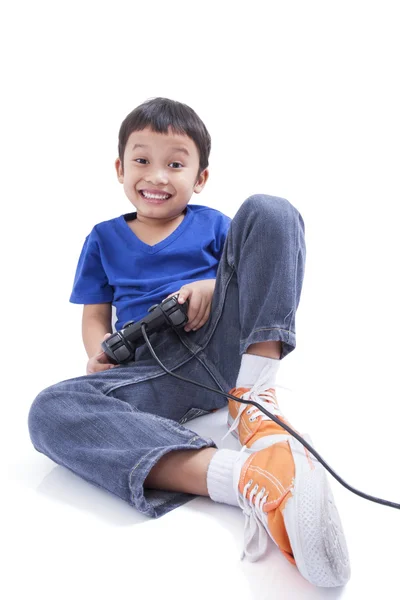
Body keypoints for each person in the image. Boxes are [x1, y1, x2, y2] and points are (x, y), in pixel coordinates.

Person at [28, 97, 350, 588]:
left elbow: (254, 278)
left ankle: (255, 399)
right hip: (150, 369)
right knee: (50, 409)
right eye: (142, 160)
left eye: (175, 164)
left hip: (225, 349)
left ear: (199, 178)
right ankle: (248, 479)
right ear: (119, 168)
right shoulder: (102, 238)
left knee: (271, 210)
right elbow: (95, 316)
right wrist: (99, 351)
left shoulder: (215, 225)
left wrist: (213, 287)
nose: (156, 176)